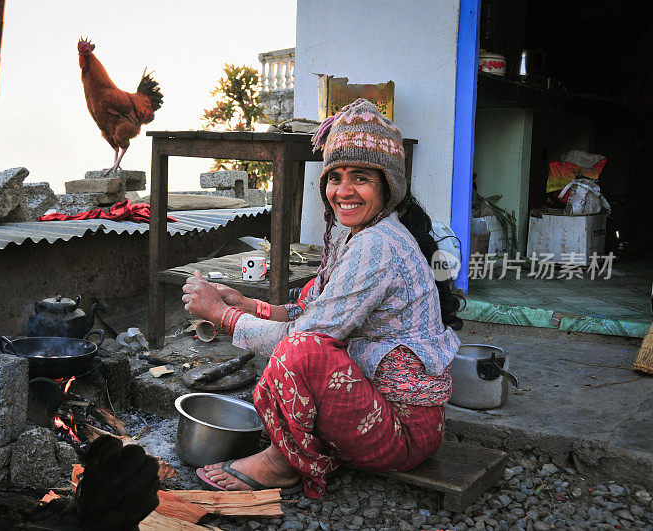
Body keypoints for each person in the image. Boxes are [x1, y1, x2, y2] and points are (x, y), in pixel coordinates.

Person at [181, 98, 462, 498]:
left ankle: (281, 465)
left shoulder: (378, 245)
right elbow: (314, 308)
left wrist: (221, 315)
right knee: (305, 338)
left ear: (387, 185)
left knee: (302, 353)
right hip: (383, 411)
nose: (343, 191)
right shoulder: (358, 234)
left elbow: (301, 339)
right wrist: (248, 305)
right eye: (335, 177)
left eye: (360, 178)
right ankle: (292, 454)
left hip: (402, 433)